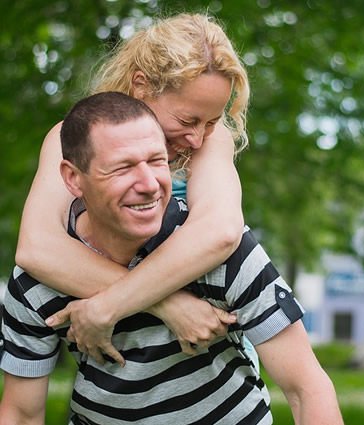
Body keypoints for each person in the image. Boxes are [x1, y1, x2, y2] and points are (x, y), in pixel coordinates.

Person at [0, 92, 344, 425]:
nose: (149, 184)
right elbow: (21, 414)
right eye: (123, 168)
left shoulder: (225, 256)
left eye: (156, 160)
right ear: (74, 178)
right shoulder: (36, 283)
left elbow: (306, 389)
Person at [15, 12, 260, 367]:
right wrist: (168, 303)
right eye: (187, 119)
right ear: (141, 85)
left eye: (211, 120)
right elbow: (37, 248)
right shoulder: (71, 137)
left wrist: (108, 305)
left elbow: (220, 232)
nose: (196, 137)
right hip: (117, 370)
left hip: (210, 363)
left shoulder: (211, 138)